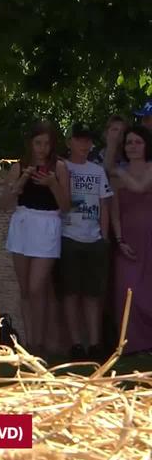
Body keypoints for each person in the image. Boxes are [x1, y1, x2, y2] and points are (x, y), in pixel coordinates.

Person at [1, 120, 71, 357]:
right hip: (22, 225)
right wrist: (22, 180)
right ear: (30, 144)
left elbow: (65, 206)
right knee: (25, 290)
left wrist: (52, 184)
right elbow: (4, 205)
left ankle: (41, 343)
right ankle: (29, 343)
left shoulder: (59, 168)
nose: (42, 148)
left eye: (47, 144)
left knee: (36, 287)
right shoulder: (19, 166)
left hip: (47, 225)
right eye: (38, 143)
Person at [57, 122, 113, 361]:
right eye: (79, 139)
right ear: (70, 142)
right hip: (68, 237)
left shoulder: (98, 171)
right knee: (70, 293)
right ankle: (76, 344)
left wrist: (105, 237)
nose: (84, 144)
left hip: (94, 240)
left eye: (88, 140)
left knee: (92, 294)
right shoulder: (62, 167)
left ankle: (95, 344)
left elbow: (104, 205)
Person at [106, 125, 152, 355]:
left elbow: (141, 186)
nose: (133, 146)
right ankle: (132, 344)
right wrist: (119, 239)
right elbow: (114, 210)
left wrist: (119, 171)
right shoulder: (116, 175)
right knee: (127, 290)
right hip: (128, 241)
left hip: (150, 239)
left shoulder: (151, 168)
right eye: (129, 143)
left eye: (138, 142)